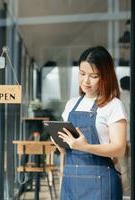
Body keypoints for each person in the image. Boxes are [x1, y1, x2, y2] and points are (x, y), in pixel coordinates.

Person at [51, 46, 127, 199]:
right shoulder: (71, 104)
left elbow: (119, 149)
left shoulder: (113, 105)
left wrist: (84, 147)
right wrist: (59, 142)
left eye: (94, 76)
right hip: (71, 183)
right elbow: (68, 152)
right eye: (82, 73)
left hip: (101, 184)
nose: (86, 80)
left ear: (105, 76)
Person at [119, 76, 131, 195]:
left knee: (123, 165)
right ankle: (132, 191)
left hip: (120, 135)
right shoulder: (134, 97)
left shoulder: (117, 97)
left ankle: (125, 192)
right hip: (131, 135)